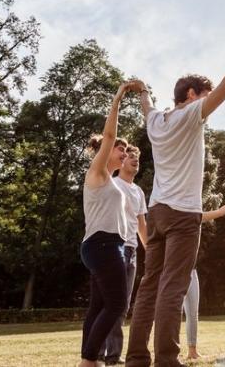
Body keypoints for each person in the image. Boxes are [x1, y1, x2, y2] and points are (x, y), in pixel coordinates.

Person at [126, 29, 225, 367]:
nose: (208, 103)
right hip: (183, 215)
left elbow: (146, 104)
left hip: (157, 213)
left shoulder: (156, 121)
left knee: (149, 285)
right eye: (204, 96)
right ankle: (167, 359)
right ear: (193, 94)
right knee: (173, 286)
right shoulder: (190, 116)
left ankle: (137, 357)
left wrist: (142, 89)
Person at [79, 81, 141, 367]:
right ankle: (90, 360)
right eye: (121, 149)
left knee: (99, 306)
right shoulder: (99, 171)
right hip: (103, 244)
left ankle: (87, 359)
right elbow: (109, 133)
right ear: (107, 151)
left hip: (102, 244)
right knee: (117, 305)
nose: (124, 153)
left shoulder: (111, 181)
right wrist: (117, 98)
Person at [100, 145, 149, 366]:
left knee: (123, 305)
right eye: (131, 156)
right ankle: (97, 352)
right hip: (114, 247)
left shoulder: (138, 192)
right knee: (109, 302)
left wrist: (150, 250)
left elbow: (141, 224)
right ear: (122, 160)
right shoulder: (113, 183)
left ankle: (113, 354)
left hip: (132, 251)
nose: (135, 159)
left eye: (137, 157)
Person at [182, 197, 225, 360]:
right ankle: (168, 351)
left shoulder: (196, 216)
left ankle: (192, 351)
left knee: (193, 313)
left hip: (192, 272)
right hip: (175, 273)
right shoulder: (174, 217)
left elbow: (220, 212)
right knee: (173, 313)